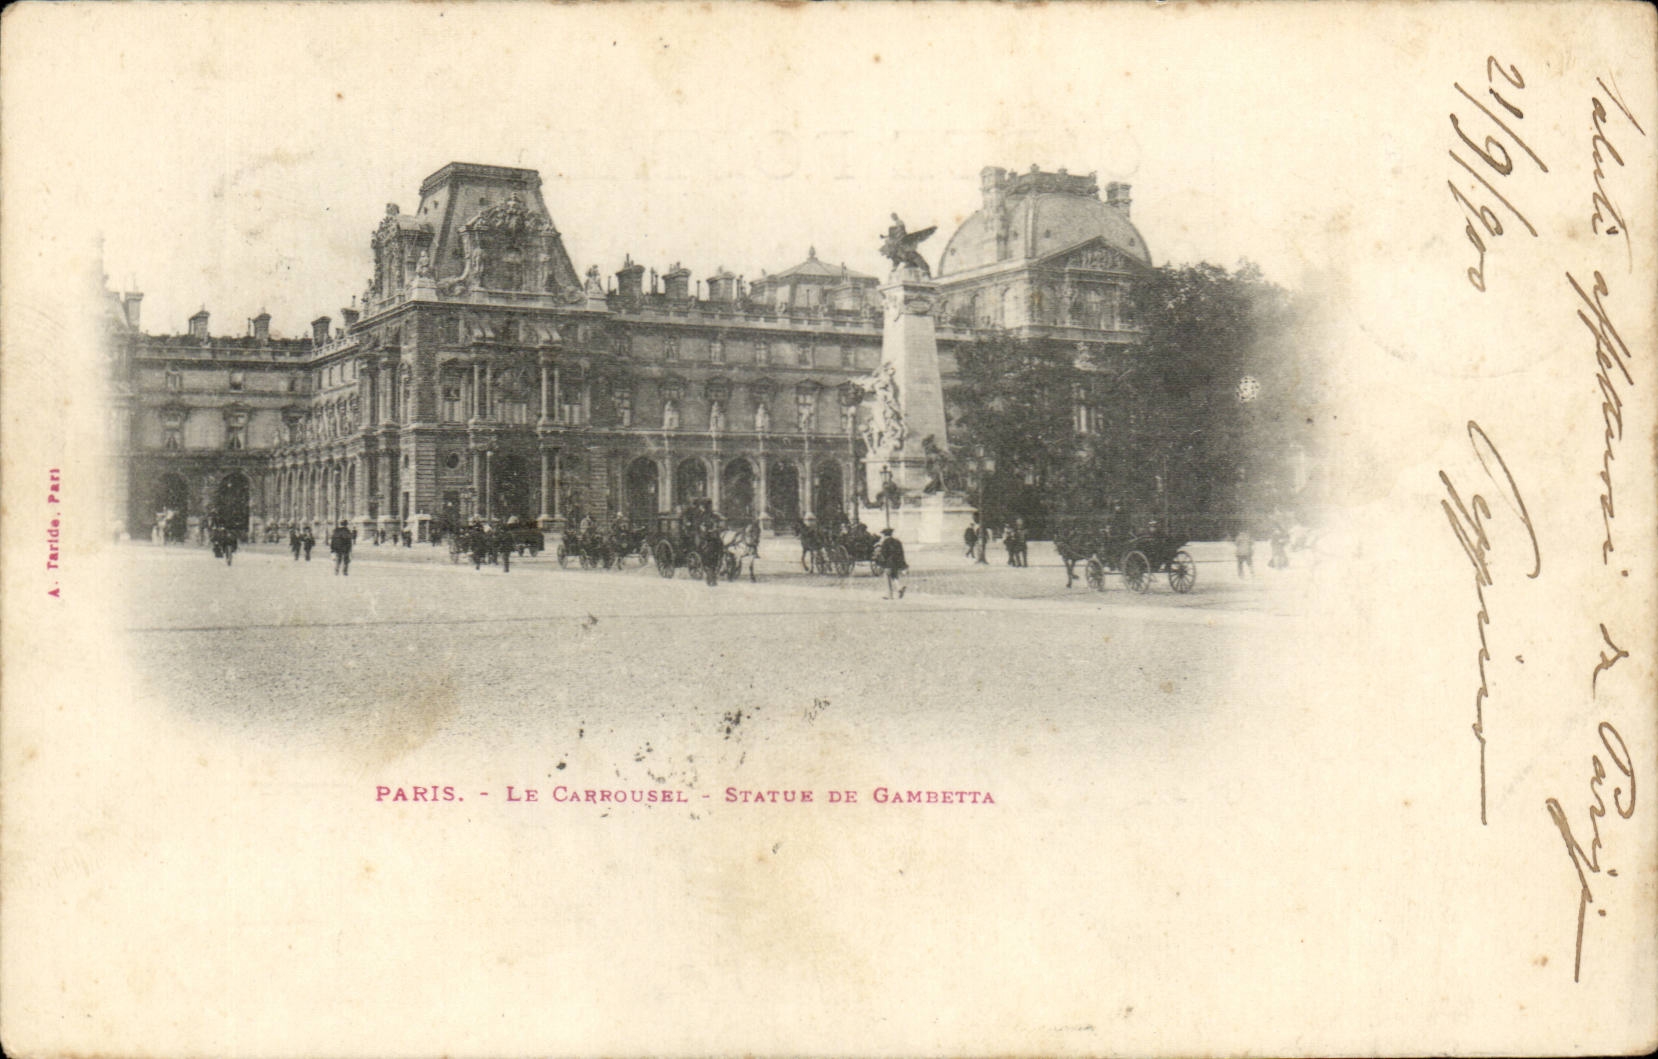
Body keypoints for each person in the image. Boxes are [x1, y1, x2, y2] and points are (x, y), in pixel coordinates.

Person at [874, 527, 907, 599]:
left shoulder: (885, 542)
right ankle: (899, 588)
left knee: (887, 577)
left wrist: (880, 564)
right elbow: (901, 553)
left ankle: (889, 595)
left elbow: (884, 554)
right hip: (897, 562)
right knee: (894, 576)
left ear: (885, 535)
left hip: (888, 563)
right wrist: (903, 564)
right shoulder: (897, 541)